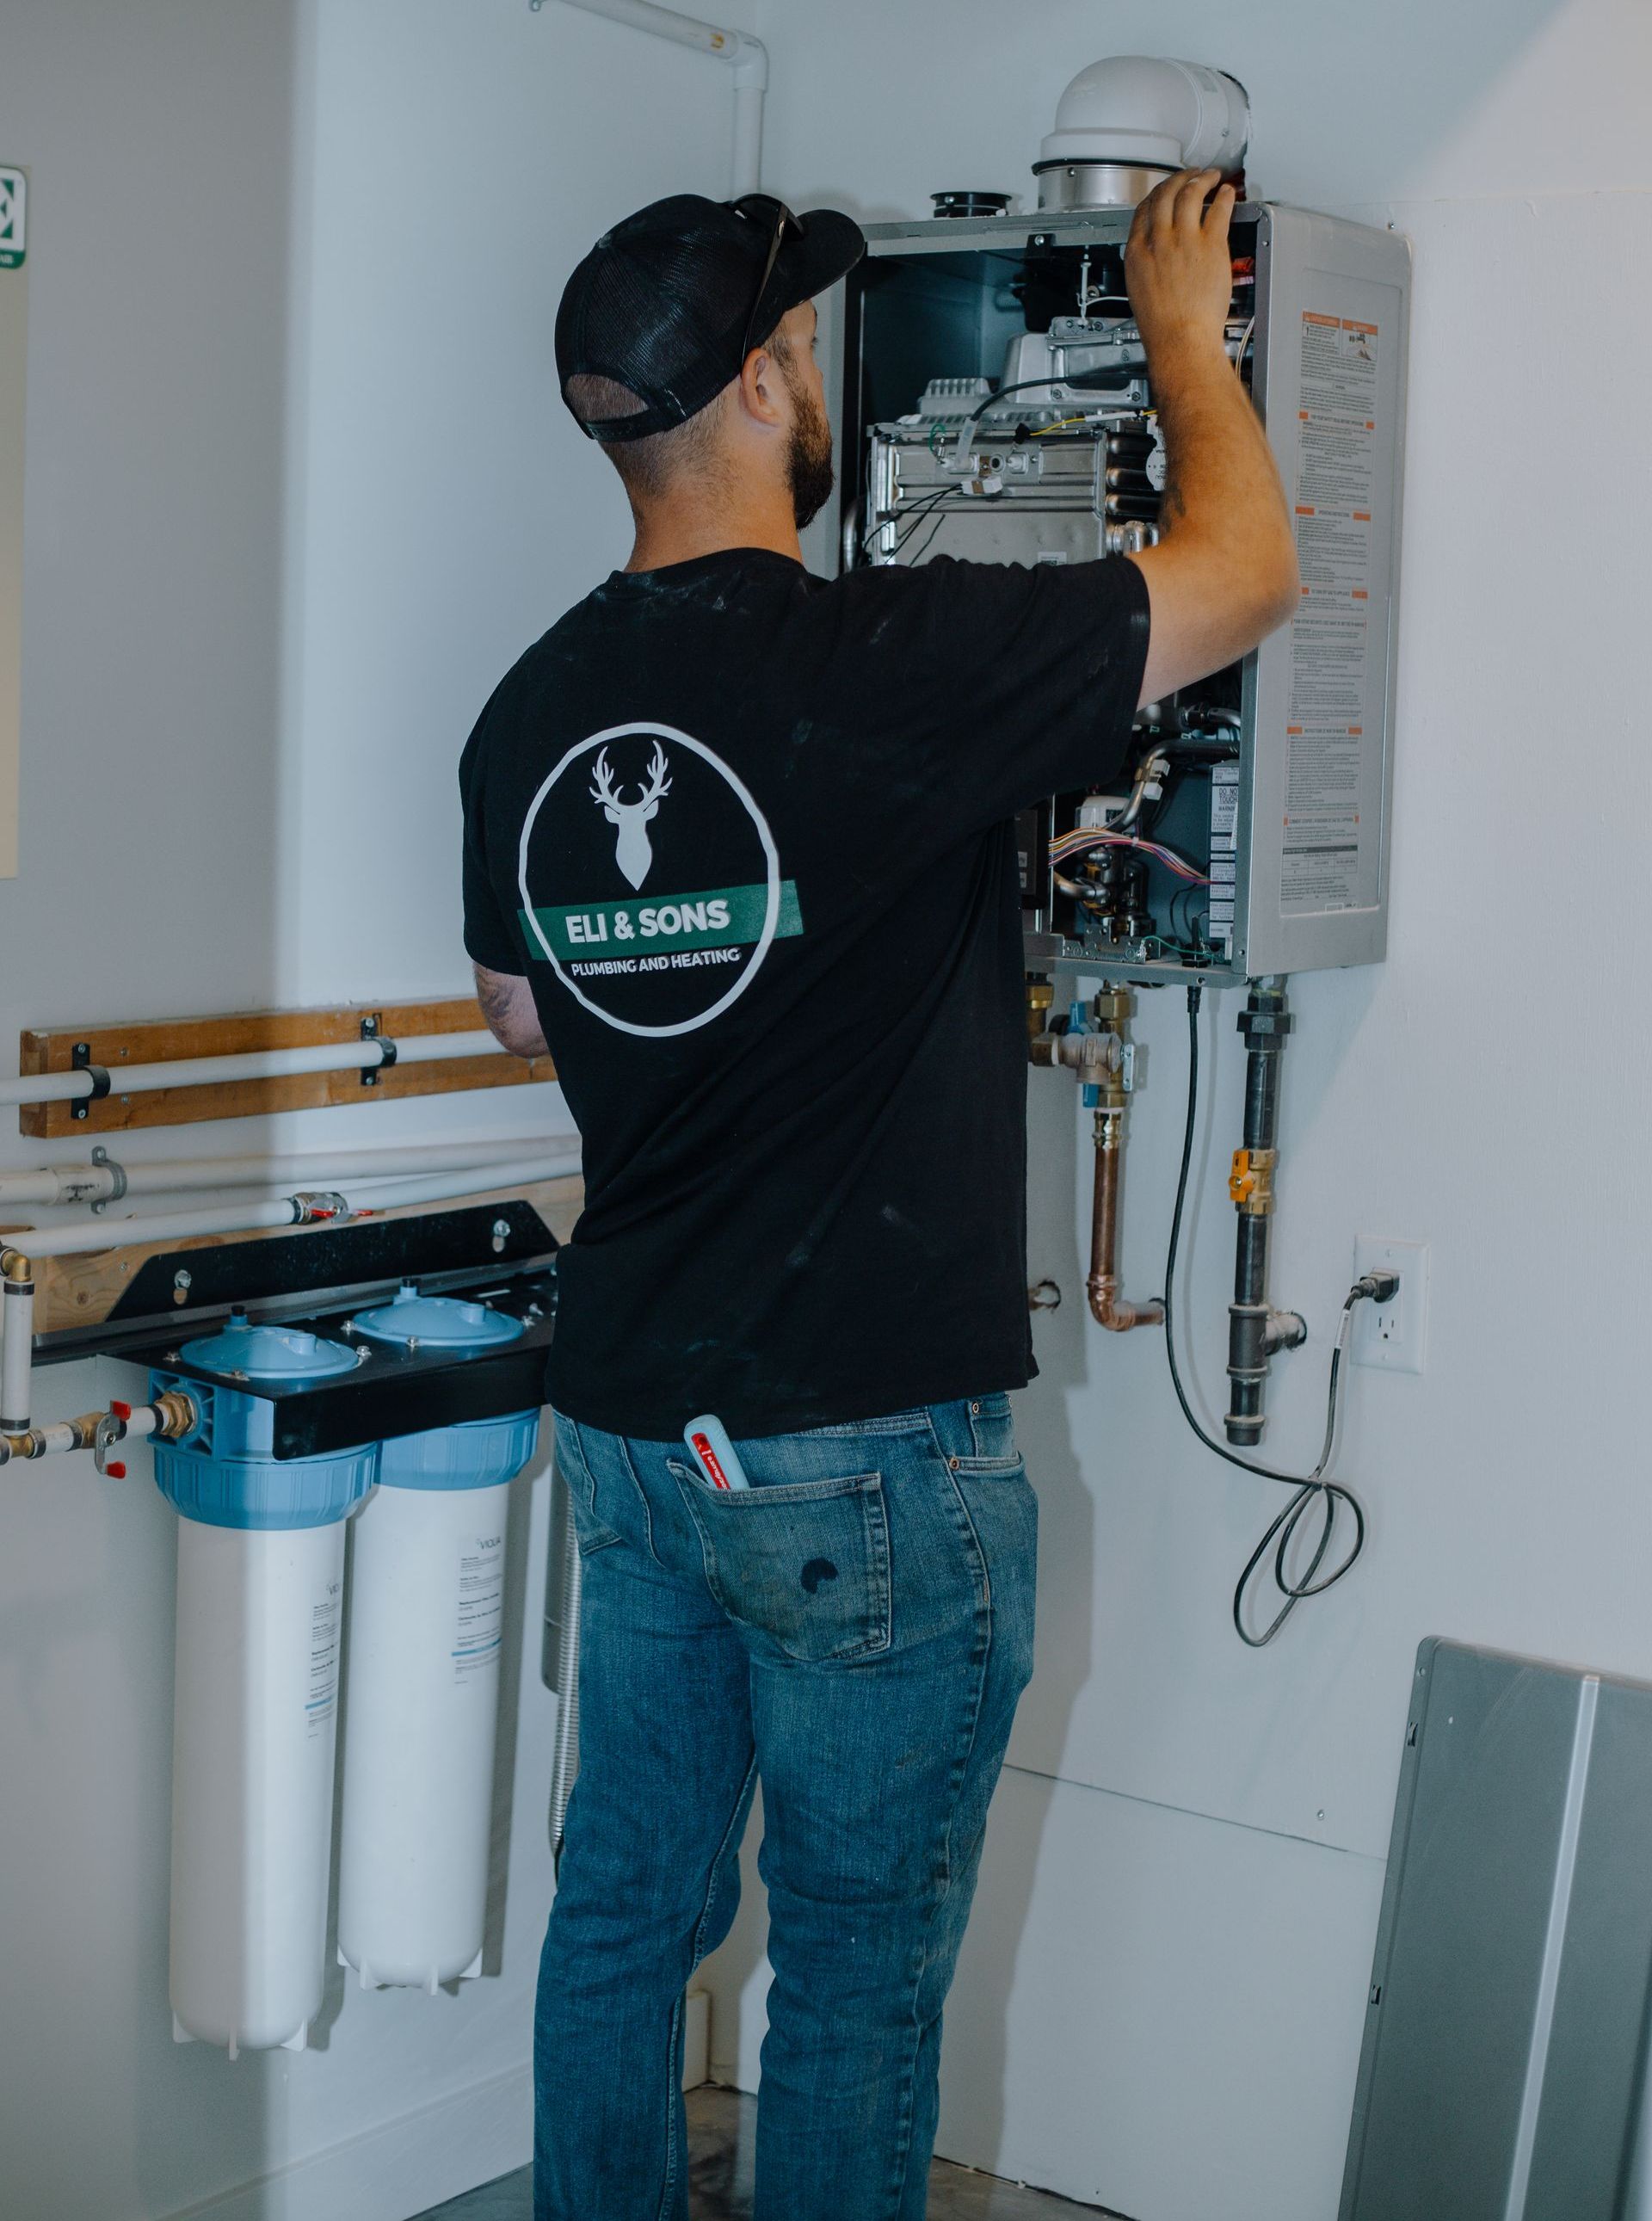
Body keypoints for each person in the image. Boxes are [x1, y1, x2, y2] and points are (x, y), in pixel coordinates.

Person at [459, 170, 1297, 2221]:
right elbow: (1247, 571)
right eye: (804, 343)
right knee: (849, 1966)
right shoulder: (892, 660)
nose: (819, 372)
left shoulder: (531, 708)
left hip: (634, 1415)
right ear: (761, 389)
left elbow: (520, 1005)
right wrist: (1183, 338)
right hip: (856, 1449)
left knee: (624, 1908)